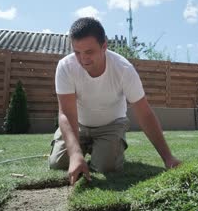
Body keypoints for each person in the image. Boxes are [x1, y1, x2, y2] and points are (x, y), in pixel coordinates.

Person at [48, 17, 181, 185]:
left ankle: (105, 149)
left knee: (106, 167)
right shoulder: (65, 66)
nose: (83, 59)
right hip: (79, 125)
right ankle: (79, 150)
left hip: (111, 126)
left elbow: (144, 113)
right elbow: (66, 113)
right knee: (58, 164)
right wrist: (74, 154)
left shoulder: (124, 69)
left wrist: (168, 158)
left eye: (89, 52)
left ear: (104, 46)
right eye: (77, 52)